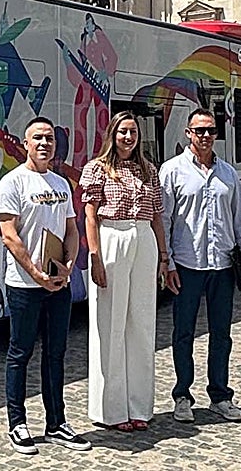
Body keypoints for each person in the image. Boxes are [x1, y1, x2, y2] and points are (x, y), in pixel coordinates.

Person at [0, 116, 92, 455]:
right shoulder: (12, 183)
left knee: (56, 354)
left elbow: (72, 230)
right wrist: (35, 273)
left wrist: (67, 267)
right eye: (37, 138)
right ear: (25, 144)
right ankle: (18, 423)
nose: (44, 144)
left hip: (58, 284)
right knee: (19, 353)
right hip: (24, 284)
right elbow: (9, 235)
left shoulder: (61, 184)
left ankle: (56, 423)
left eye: (49, 138)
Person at [160, 107, 241, 424]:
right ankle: (182, 397)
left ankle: (220, 395)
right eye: (199, 130)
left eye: (210, 130)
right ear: (188, 133)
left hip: (222, 265)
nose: (205, 136)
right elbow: (163, 221)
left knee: (221, 334)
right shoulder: (172, 171)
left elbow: (240, 219)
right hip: (187, 265)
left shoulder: (228, 174)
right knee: (183, 333)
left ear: (216, 134)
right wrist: (167, 263)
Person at [80, 111, 168, 432]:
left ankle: (139, 406)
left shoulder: (148, 170)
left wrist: (163, 255)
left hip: (143, 236)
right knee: (110, 324)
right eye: (122, 132)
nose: (128, 138)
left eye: (132, 132)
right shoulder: (97, 169)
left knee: (142, 324)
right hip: (111, 235)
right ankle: (111, 409)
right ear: (112, 135)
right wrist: (96, 256)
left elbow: (157, 215)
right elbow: (90, 216)